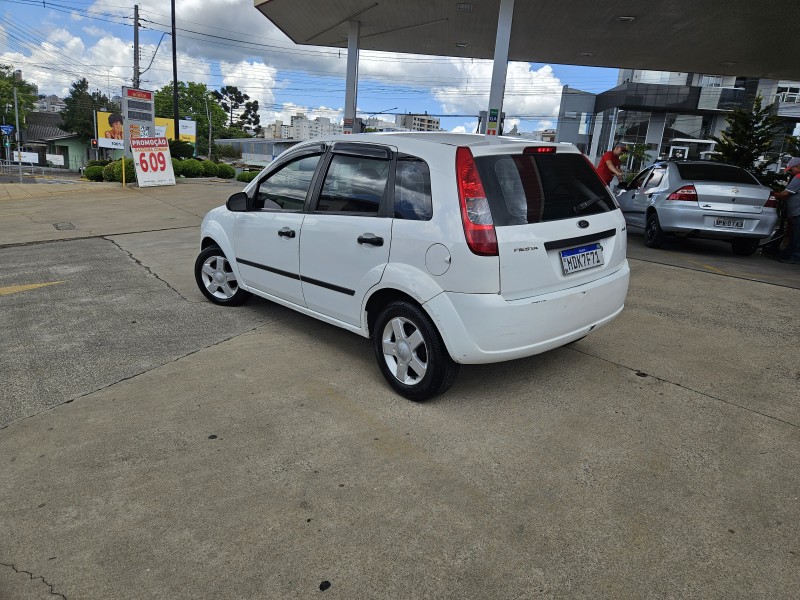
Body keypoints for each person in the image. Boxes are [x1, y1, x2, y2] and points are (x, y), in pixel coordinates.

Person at [772, 156, 800, 264]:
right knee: (795, 236)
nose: (790, 172)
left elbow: (785, 194)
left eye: (791, 169)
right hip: (796, 213)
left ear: (798, 166)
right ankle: (788, 254)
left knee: (798, 237)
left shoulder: (798, 177)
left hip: (798, 213)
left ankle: (795, 257)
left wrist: (773, 194)